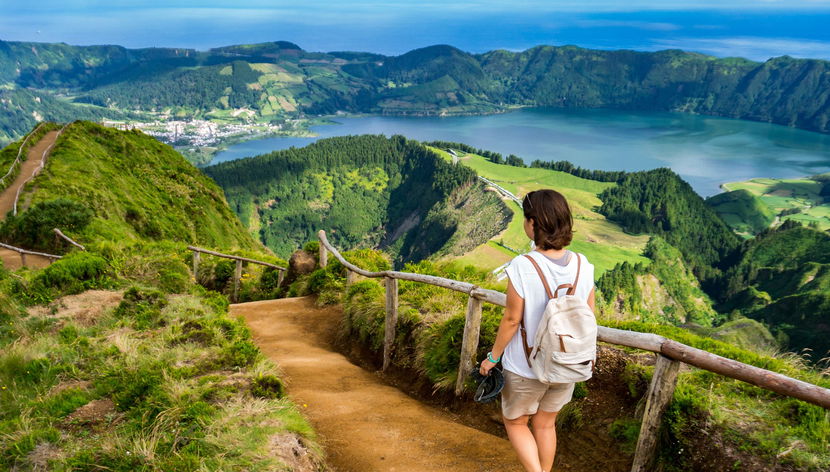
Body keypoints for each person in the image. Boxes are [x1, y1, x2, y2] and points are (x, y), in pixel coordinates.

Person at [479, 189, 595, 472]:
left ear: (533, 223)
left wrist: (492, 358)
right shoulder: (583, 264)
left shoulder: (523, 265)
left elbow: (511, 319)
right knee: (545, 424)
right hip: (567, 362)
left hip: (525, 365)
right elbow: (589, 316)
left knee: (516, 422)